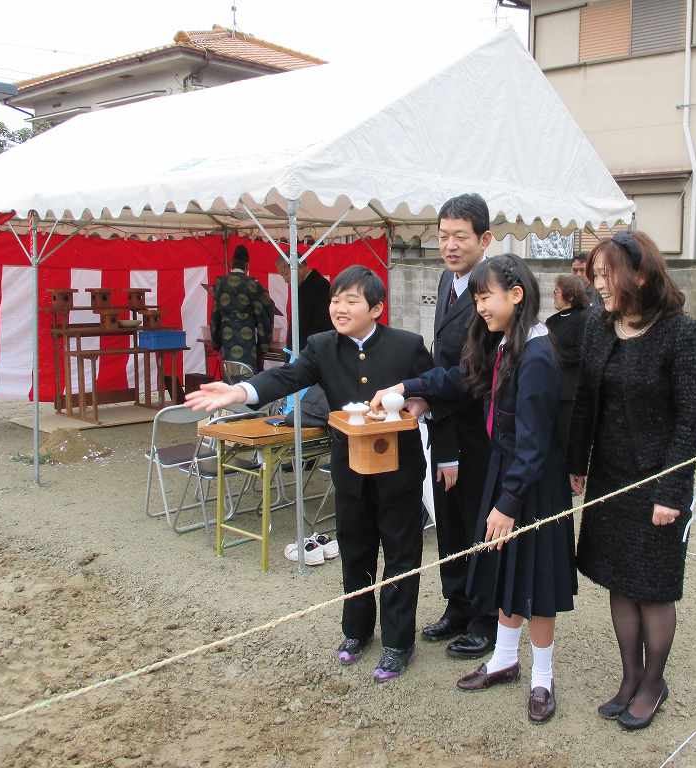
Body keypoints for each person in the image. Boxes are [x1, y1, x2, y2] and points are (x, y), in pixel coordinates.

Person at [187, 266, 432, 684]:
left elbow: (429, 386)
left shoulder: (408, 345)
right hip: (350, 470)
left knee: (401, 556)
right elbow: (286, 377)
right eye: (336, 299)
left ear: (376, 308)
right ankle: (355, 631)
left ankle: (397, 642)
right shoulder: (321, 346)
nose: (339, 307)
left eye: (351, 300)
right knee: (355, 550)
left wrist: (420, 403)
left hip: (399, 470)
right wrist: (240, 392)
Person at [372, 254, 578, 724]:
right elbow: (458, 377)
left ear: (516, 295)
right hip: (506, 473)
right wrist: (406, 388)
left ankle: (542, 679)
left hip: (533, 485)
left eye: (485, 297)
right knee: (505, 571)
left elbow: (535, 442)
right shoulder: (504, 344)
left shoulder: (539, 354)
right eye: (477, 297)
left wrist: (508, 503)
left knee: (539, 585)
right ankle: (505, 660)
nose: (480, 306)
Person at [568, 231, 696, 730]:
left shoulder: (683, 334)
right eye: (595, 276)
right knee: (618, 577)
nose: (599, 285)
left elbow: (692, 422)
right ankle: (629, 677)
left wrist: (672, 492)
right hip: (611, 476)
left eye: (608, 275)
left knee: (652, 587)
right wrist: (576, 461)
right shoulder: (598, 327)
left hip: (657, 482)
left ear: (642, 275)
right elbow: (587, 399)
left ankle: (654, 682)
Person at [420, 193, 497, 660]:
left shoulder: (488, 289)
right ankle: (457, 603)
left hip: (478, 430)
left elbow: (474, 373)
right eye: (443, 236)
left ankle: (485, 616)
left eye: (459, 237)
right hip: (445, 422)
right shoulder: (447, 284)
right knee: (448, 520)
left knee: (476, 521)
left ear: (484, 239)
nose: (449, 245)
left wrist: (418, 389)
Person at [210, 245, 274, 371]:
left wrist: (216, 342)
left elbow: (215, 315)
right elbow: (265, 311)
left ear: (231, 263)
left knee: (230, 379)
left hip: (227, 340)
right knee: (247, 379)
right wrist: (263, 344)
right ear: (247, 265)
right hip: (247, 342)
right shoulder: (252, 284)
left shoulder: (220, 283)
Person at [545, 274, 588, 450]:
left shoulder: (585, 318)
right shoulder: (552, 321)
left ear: (570, 296)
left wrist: (554, 355)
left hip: (571, 391)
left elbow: (582, 352)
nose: (554, 295)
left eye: (557, 291)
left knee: (568, 441)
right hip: (551, 389)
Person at [276, 249, 334, 352]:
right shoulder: (304, 286)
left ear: (299, 267)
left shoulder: (320, 286)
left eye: (285, 274)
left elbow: (322, 327)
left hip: (312, 354)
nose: (285, 280)